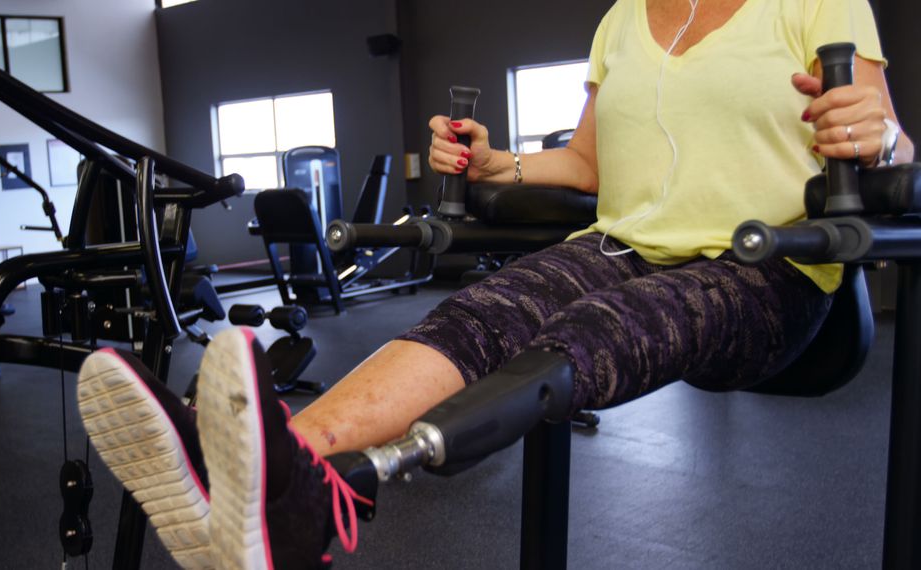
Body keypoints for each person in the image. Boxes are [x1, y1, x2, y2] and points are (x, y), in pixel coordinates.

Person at [76, 0, 914, 568]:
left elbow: (892, 144)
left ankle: (328, 499)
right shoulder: (622, 18)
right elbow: (587, 163)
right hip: (622, 243)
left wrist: (876, 138)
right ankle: (277, 474)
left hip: (762, 268)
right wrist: (494, 160)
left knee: (591, 331)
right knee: (474, 316)